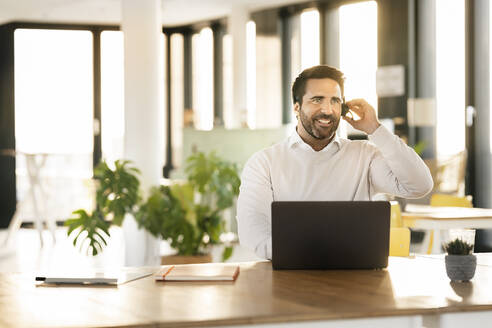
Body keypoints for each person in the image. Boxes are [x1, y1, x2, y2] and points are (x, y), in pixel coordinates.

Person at [236, 65, 433, 260]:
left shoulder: (365, 156)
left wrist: (375, 129)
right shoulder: (264, 163)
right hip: (290, 273)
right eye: (317, 99)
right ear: (297, 107)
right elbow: (252, 228)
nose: (327, 110)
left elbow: (419, 186)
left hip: (355, 277)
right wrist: (299, 255)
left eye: (335, 101)